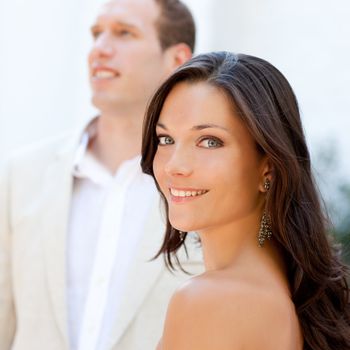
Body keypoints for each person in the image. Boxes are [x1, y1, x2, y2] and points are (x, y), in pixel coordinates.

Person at [0, 1, 202, 349]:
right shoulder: (22, 174)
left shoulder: (204, 184)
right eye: (96, 34)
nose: (100, 49)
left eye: (125, 33)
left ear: (176, 60)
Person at [141, 51, 350, 350]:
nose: (175, 165)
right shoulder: (280, 287)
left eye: (209, 141)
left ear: (269, 166)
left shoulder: (210, 301)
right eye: (166, 139)